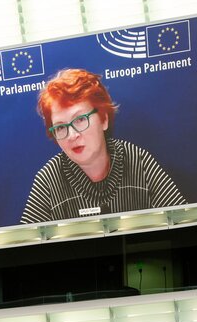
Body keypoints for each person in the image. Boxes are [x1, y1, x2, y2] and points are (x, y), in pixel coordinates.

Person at [20, 68, 186, 224]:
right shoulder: (49, 179)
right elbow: (25, 248)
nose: (72, 135)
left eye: (80, 119)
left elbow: (182, 221)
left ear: (104, 119)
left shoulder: (137, 159)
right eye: (61, 127)